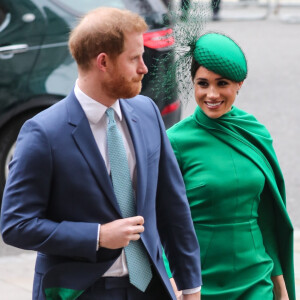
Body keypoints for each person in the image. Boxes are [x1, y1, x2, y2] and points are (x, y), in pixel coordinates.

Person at [0, 7, 202, 300]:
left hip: (151, 289)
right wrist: (97, 236)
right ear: (103, 62)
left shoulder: (147, 113)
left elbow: (173, 205)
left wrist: (190, 286)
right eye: (134, 58)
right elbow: (16, 225)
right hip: (81, 291)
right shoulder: (43, 133)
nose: (144, 67)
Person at [164, 32, 295, 299]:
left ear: (239, 84)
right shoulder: (175, 141)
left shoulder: (254, 132)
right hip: (198, 282)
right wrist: (171, 278)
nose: (211, 94)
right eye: (202, 83)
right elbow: (161, 219)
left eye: (221, 83)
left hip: (256, 279)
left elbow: (267, 215)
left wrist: (279, 279)